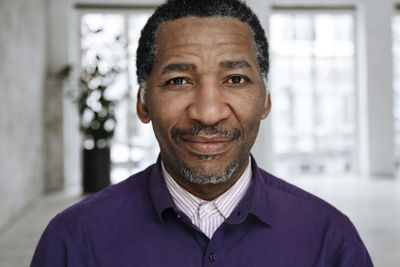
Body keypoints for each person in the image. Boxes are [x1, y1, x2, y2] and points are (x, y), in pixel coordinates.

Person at [31, 0, 374, 266]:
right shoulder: (73, 241)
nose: (208, 113)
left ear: (265, 101)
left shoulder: (330, 239)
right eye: (179, 81)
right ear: (143, 103)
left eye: (235, 79)